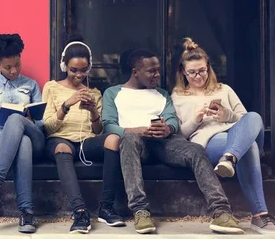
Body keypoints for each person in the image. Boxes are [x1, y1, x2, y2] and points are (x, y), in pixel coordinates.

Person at [102, 49, 243, 234]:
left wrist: (167, 128)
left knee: (196, 150)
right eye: (152, 71)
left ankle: (221, 212)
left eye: (158, 70)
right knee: (128, 139)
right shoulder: (113, 93)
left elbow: (172, 120)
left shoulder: (162, 94)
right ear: (135, 72)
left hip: (164, 142)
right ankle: (140, 211)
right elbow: (109, 126)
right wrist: (139, 130)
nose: (157, 74)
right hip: (136, 142)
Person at [172, 38, 274, 234]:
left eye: (202, 70)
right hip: (208, 141)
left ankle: (230, 157)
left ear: (208, 68)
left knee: (254, 116)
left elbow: (248, 121)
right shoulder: (177, 96)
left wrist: (227, 115)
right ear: (183, 72)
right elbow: (180, 135)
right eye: (192, 72)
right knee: (250, 148)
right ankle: (260, 216)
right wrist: (196, 119)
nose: (198, 76)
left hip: (236, 134)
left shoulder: (224, 89)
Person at [42, 40, 124, 233]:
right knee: (62, 147)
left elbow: (98, 132)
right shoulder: (51, 87)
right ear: (64, 67)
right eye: (73, 70)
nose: (79, 75)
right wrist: (66, 105)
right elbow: (47, 127)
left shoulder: (94, 93)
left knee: (113, 139)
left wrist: (94, 113)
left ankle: (106, 207)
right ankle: (79, 211)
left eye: (84, 70)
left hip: (85, 143)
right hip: (60, 140)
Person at [0, 33, 45, 234]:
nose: (14, 71)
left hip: (35, 136)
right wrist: (4, 111)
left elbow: (41, 123)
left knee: (18, 124)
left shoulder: (30, 84)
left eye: (17, 65)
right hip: (0, 138)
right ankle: (26, 212)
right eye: (8, 67)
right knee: (21, 142)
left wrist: (25, 117)